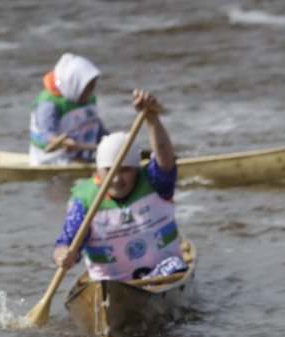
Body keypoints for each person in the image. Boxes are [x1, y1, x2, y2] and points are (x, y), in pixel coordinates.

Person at [52, 89, 187, 282]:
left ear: (136, 168)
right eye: (109, 171)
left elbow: (165, 156)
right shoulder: (83, 200)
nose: (116, 179)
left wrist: (151, 118)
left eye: (125, 170)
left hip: (163, 273)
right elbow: (65, 244)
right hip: (111, 285)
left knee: (175, 269)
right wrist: (63, 255)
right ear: (97, 171)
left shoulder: (154, 181)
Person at [28, 52, 106, 166]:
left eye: (92, 85)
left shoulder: (88, 99)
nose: (91, 90)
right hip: (53, 159)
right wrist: (63, 143)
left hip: (85, 155)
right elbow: (47, 134)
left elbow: (98, 127)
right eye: (87, 86)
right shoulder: (48, 104)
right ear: (74, 84)